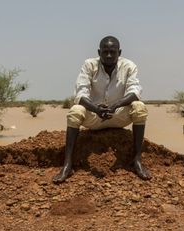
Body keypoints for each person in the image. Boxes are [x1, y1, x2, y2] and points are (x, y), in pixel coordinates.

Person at [52, 35, 151, 183]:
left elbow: (135, 92)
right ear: (99, 52)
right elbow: (80, 94)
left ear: (120, 52)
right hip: (94, 116)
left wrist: (115, 105)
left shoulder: (129, 66)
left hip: (117, 115)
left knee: (139, 107)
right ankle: (67, 164)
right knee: (75, 111)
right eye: (105, 52)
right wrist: (96, 109)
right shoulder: (89, 65)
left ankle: (137, 160)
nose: (109, 55)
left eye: (113, 52)